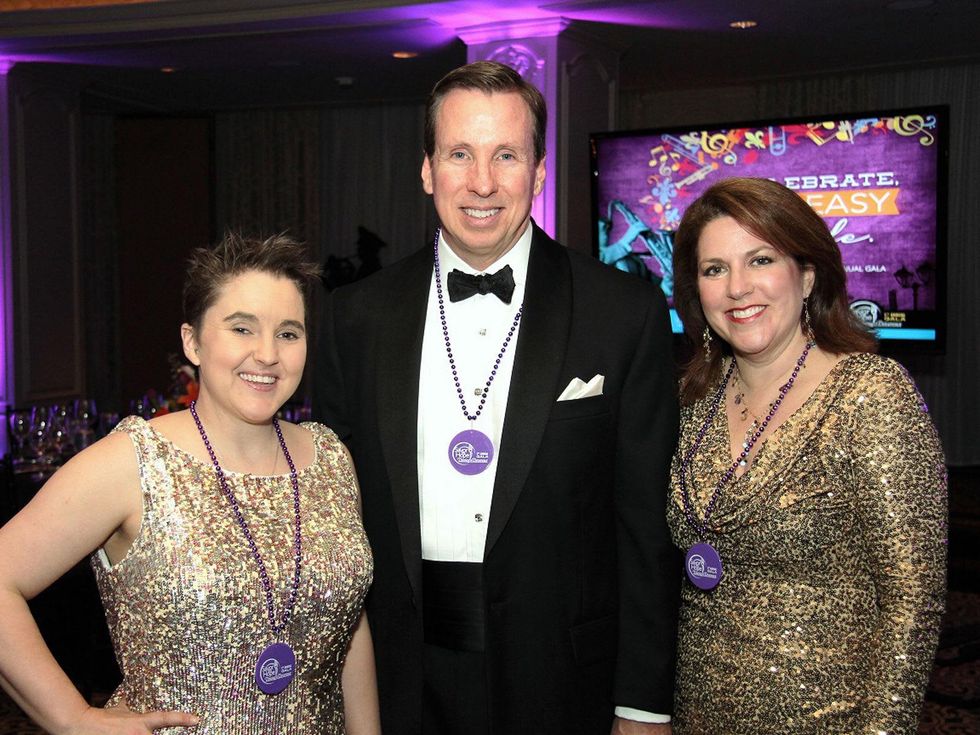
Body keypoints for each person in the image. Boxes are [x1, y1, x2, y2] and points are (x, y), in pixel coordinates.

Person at [314, 60, 680, 735]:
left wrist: (642, 700)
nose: (481, 182)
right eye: (460, 154)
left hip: (563, 675)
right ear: (428, 170)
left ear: (538, 171)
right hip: (399, 675)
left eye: (505, 155)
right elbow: (334, 516)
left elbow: (646, 527)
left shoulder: (621, 312)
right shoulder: (353, 317)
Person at [0, 233, 380, 734]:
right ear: (192, 341)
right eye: (242, 328)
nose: (267, 354)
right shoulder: (135, 461)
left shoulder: (330, 458)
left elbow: (348, 625)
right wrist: (72, 718)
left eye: (289, 333)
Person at [667, 177, 946, 734]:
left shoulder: (870, 395)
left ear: (808, 273)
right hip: (695, 712)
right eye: (714, 269)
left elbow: (912, 602)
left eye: (761, 259)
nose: (737, 288)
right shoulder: (694, 399)